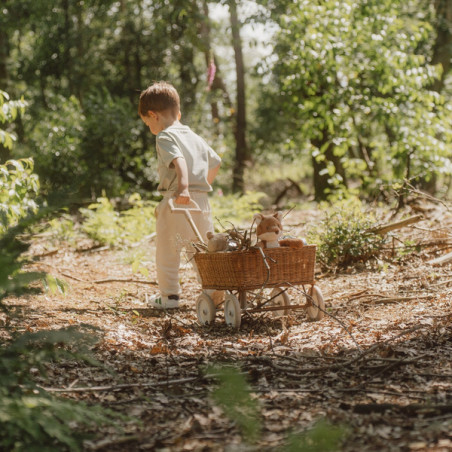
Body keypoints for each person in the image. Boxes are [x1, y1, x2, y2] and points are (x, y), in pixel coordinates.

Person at [138, 81, 221, 309]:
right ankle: (213, 290)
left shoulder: (165, 136)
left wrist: (184, 188)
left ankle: (170, 298)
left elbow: (179, 161)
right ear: (178, 111)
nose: (149, 128)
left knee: (167, 251)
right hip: (201, 202)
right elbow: (216, 162)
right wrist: (199, 187)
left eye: (147, 123)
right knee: (202, 251)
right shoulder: (195, 137)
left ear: (153, 115)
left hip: (177, 200)